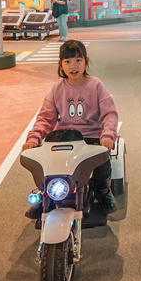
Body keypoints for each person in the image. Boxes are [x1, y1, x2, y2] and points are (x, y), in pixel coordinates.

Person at [23, 39, 118, 218]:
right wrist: (34, 137)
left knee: (101, 163)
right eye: (67, 61)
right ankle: (44, 193)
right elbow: (45, 117)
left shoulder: (95, 85)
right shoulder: (57, 88)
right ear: (61, 65)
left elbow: (109, 114)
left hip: (90, 137)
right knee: (47, 163)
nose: (73, 66)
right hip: (63, 137)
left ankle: (102, 190)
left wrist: (107, 135)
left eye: (78, 60)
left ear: (86, 62)